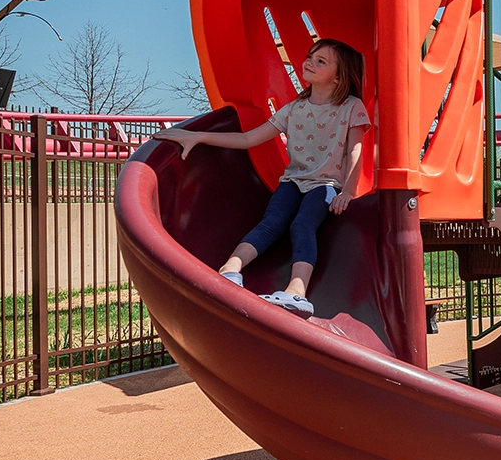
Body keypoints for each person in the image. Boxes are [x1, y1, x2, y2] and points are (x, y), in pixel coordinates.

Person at [154, 39, 370, 316]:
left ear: (339, 77)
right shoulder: (294, 109)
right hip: (293, 181)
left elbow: (355, 151)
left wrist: (348, 192)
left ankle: (297, 291)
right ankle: (230, 268)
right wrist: (196, 137)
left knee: (302, 225)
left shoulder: (351, 108)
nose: (309, 62)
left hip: (326, 185)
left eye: (321, 61)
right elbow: (249, 138)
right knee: (272, 222)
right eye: (310, 56)